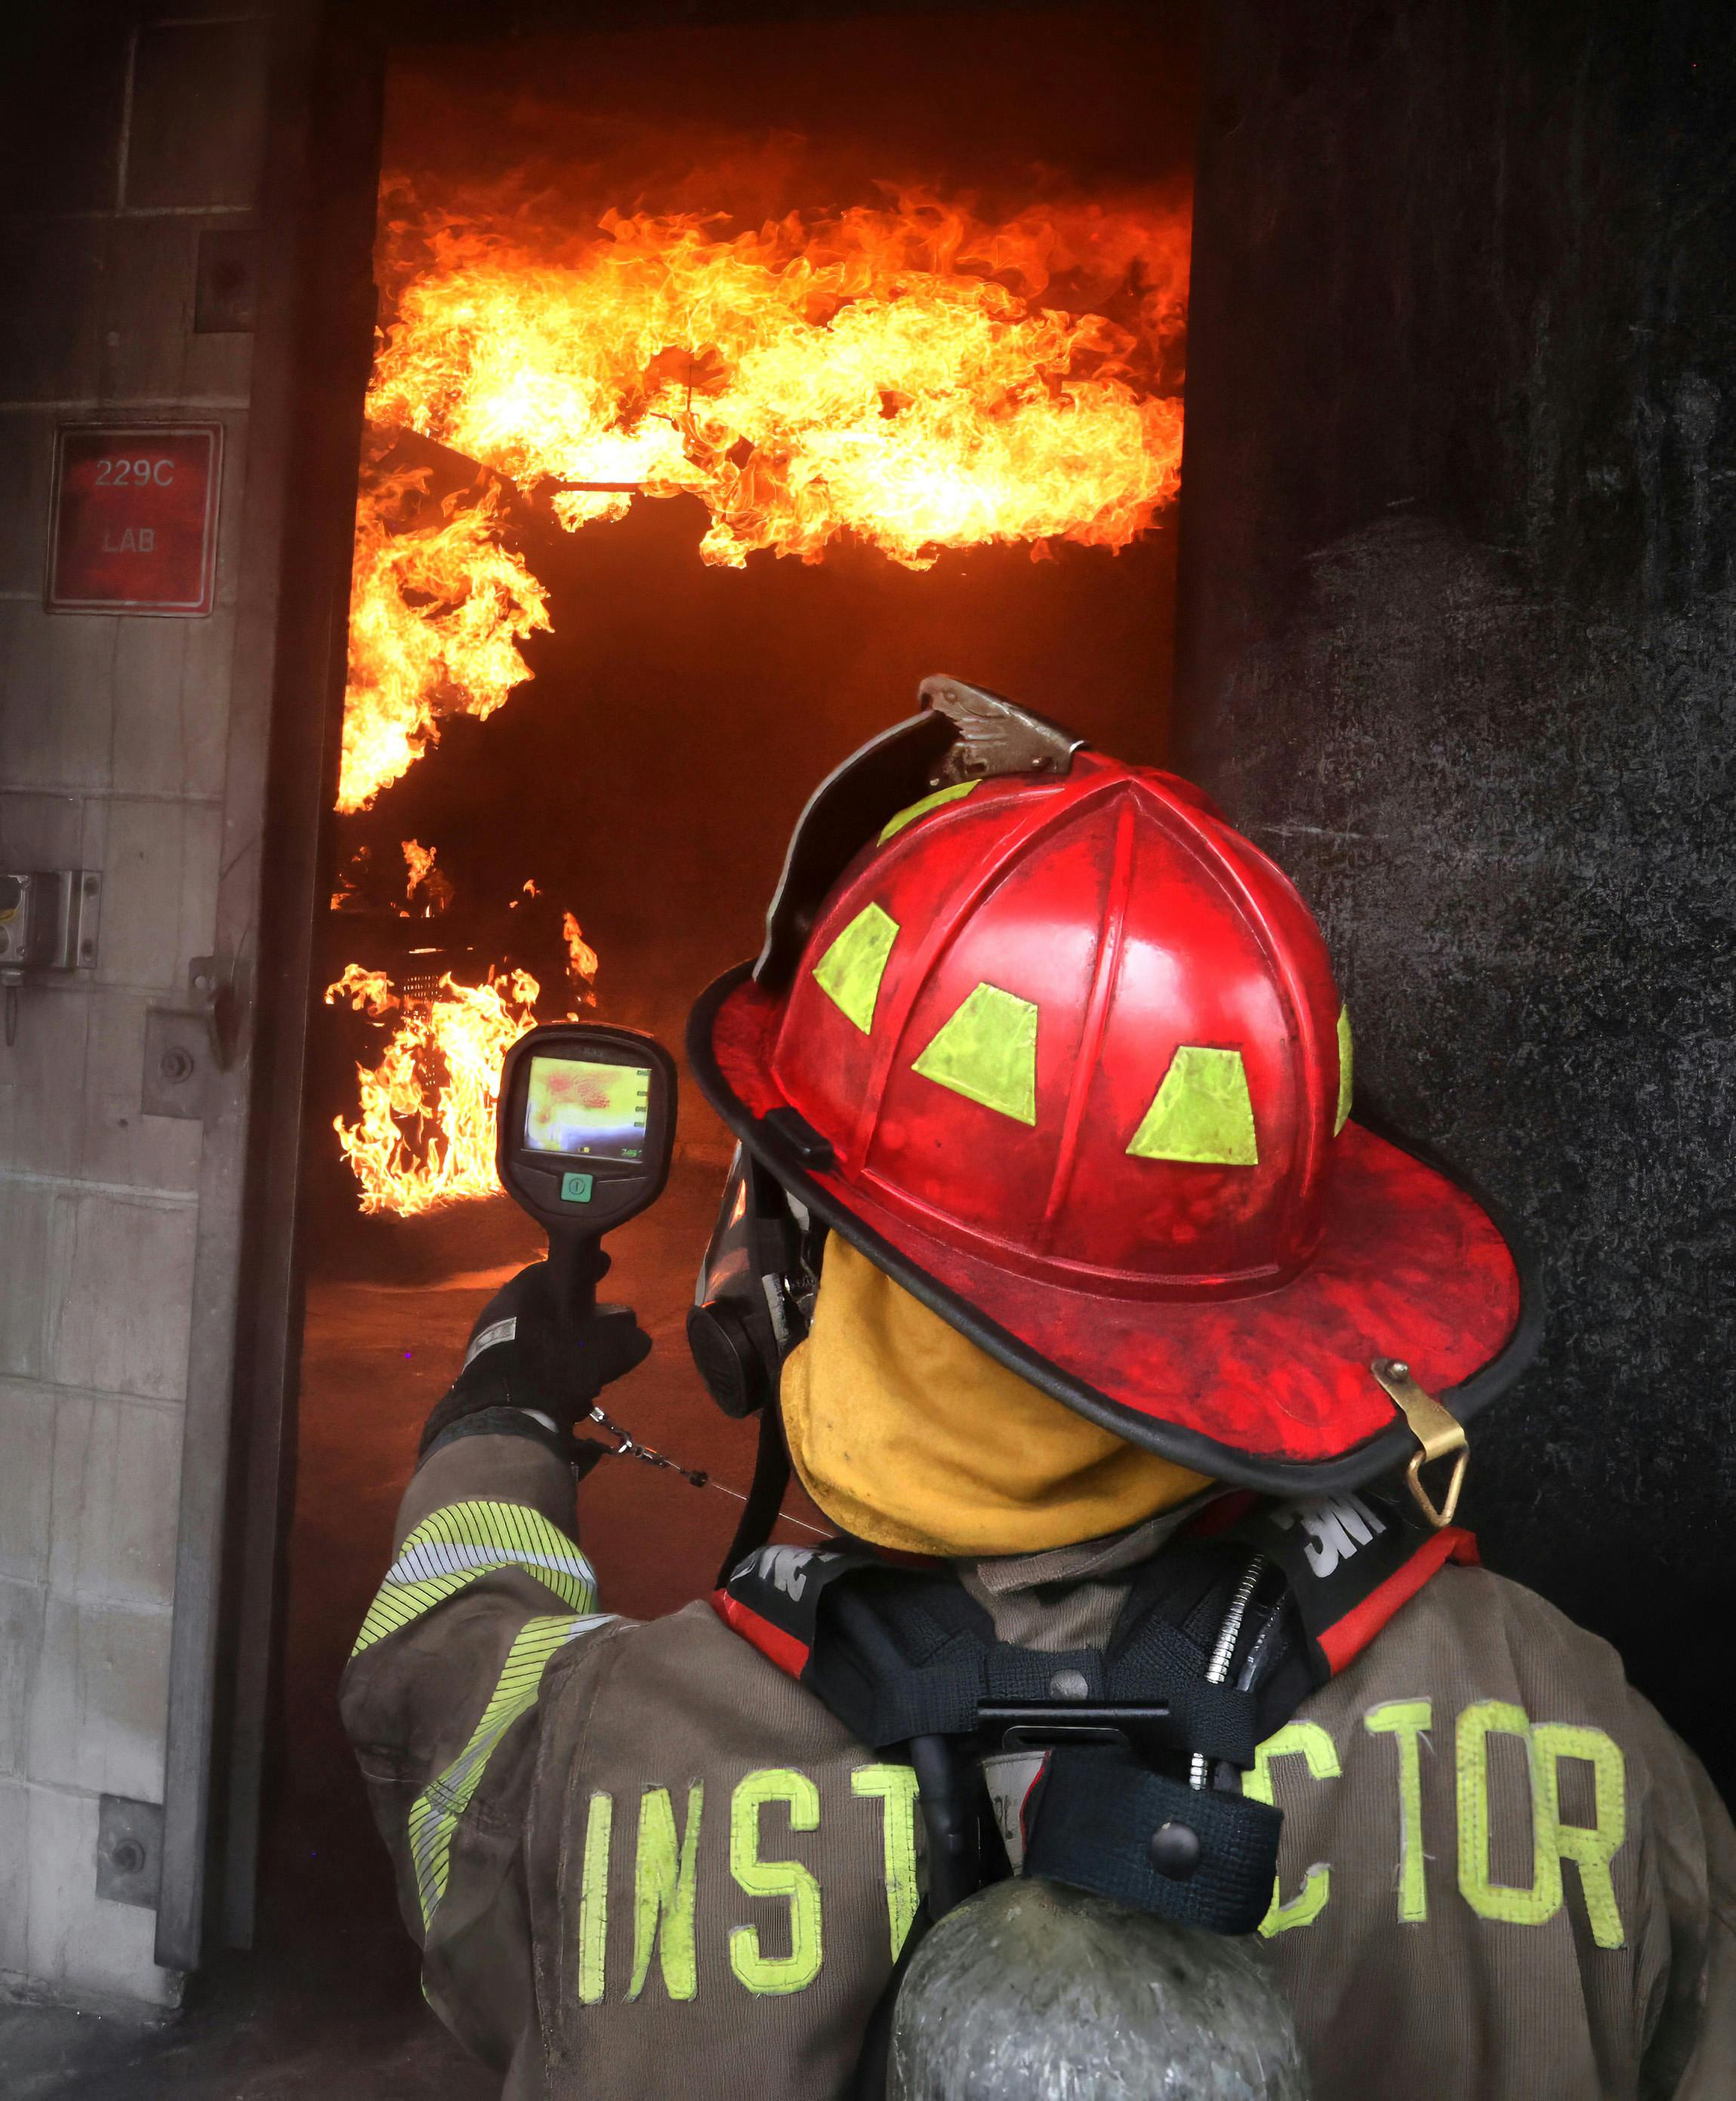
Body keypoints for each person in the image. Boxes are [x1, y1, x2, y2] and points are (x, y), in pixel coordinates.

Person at [342, 679, 1736, 2100]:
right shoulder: (1566, 1720)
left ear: (790, 1262)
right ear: (1289, 1298)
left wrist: (496, 1428)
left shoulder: (618, 1751)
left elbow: (433, 1702)